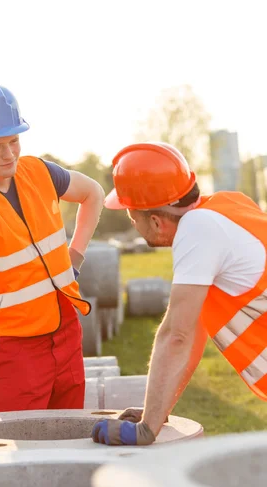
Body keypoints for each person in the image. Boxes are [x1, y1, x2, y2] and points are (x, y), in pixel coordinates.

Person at [0, 81, 104, 419]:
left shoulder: (39, 172)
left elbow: (94, 193)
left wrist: (76, 256)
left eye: (14, 141)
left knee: (72, 439)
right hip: (16, 350)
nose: (10, 154)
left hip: (66, 329)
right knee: (27, 451)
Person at [92, 141, 267, 446]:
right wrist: (156, 412)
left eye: (133, 217)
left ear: (156, 221)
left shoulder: (197, 229)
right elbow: (191, 336)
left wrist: (147, 428)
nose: (133, 225)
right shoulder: (227, 205)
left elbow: (176, 335)